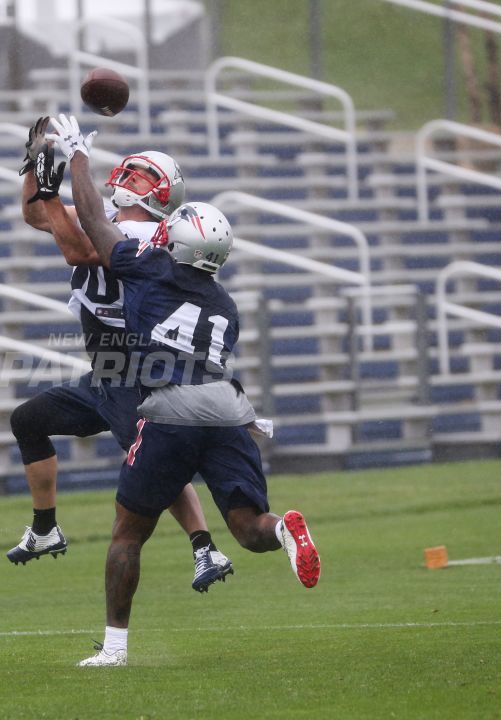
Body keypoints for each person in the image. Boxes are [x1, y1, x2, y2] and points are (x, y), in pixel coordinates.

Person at [45, 114, 322, 667]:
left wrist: (78, 156)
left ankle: (116, 648)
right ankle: (284, 532)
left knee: (128, 532)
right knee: (245, 527)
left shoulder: (150, 270)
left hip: (171, 406)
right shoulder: (226, 305)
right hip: (225, 408)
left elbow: (97, 222)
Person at [5, 116, 235, 593]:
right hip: (105, 366)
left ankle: (204, 546)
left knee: (150, 453)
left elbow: (75, 249)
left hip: (133, 364)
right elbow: (36, 215)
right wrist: (35, 164)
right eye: (128, 171)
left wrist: (53, 185)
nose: (127, 179)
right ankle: (45, 528)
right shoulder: (106, 220)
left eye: (140, 176)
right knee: (28, 420)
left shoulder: (148, 236)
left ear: (160, 193)